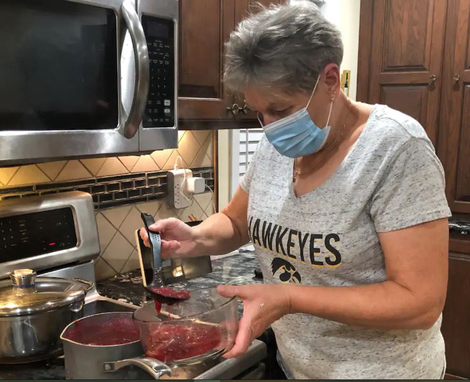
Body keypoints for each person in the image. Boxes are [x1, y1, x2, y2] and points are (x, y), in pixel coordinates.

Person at [140, 1, 451, 379]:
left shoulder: (397, 149)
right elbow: (238, 223)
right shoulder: (276, 146)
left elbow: (420, 303)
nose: (268, 127)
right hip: (296, 367)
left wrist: (288, 298)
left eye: (281, 110)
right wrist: (196, 238)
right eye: (259, 112)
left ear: (331, 80)